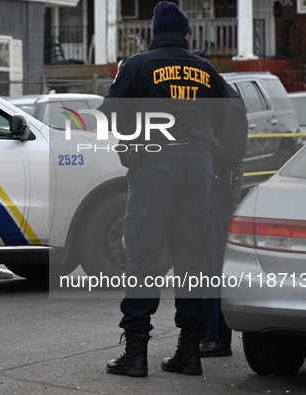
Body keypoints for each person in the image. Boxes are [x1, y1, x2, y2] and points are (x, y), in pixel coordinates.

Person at [98, 1, 231, 377]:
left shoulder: (139, 65)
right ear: (186, 36)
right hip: (199, 166)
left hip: (157, 164)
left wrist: (130, 146)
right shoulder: (206, 69)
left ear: (155, 35)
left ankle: (135, 353)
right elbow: (225, 119)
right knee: (193, 259)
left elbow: (109, 114)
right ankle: (189, 351)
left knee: (143, 254)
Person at [200, 82, 248, 358]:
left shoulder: (224, 97)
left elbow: (226, 148)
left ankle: (218, 337)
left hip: (217, 189)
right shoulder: (218, 94)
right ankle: (207, 333)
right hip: (209, 187)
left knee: (214, 263)